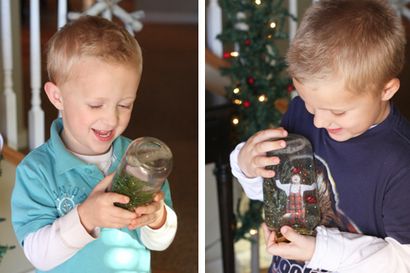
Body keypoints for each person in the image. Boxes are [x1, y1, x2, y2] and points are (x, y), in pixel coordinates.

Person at [230, 0, 410, 272]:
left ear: (386, 90)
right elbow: (271, 193)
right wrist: (247, 166)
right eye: (309, 104)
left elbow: (403, 261)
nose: (318, 121)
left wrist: (319, 249)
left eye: (337, 112)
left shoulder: (400, 164)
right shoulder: (301, 113)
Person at [11, 16, 177, 273]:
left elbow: (160, 242)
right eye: (95, 105)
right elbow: (38, 255)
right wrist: (86, 217)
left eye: (124, 105)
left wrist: (157, 218)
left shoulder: (142, 161)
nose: (111, 118)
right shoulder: (37, 171)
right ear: (58, 97)